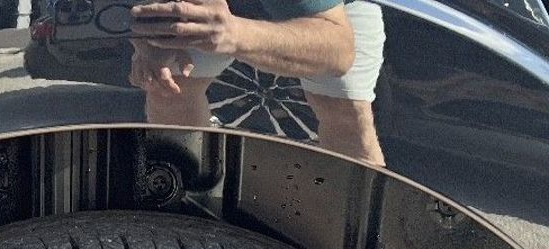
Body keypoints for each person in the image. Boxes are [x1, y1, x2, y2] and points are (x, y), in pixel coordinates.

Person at [129, 0, 385, 165]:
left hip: (331, 15)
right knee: (169, 86)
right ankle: (183, 189)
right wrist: (149, 41)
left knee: (344, 109)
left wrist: (235, 34)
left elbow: (339, 51)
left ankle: (359, 216)